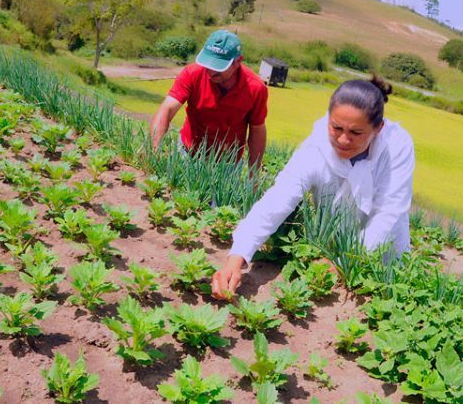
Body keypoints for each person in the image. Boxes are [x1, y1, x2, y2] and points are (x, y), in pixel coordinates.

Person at [211, 76, 415, 299]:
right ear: (328, 118)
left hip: (384, 251)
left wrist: (345, 261)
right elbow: (277, 200)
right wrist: (237, 256)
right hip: (332, 246)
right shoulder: (315, 147)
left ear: (378, 128)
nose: (343, 140)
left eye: (356, 133)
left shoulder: (397, 146)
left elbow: (389, 212)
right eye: (336, 127)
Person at [150, 29, 268, 169]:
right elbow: (167, 109)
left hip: (227, 164)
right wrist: (154, 152)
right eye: (208, 64)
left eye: (218, 67)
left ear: (237, 62)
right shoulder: (192, 73)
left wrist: (253, 173)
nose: (210, 72)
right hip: (188, 153)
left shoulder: (255, 88)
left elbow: (257, 130)